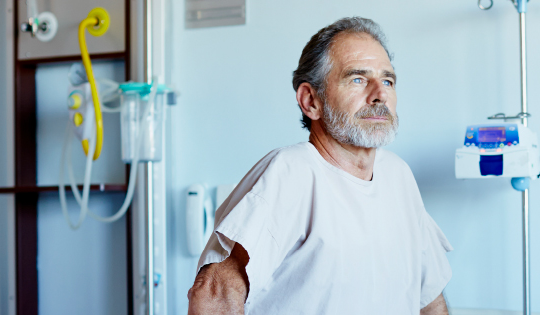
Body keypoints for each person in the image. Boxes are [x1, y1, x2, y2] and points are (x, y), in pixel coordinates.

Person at [187, 17, 452, 315]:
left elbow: (429, 297)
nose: (380, 94)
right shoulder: (291, 172)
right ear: (311, 101)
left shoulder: (398, 175)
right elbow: (214, 294)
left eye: (388, 81)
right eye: (358, 79)